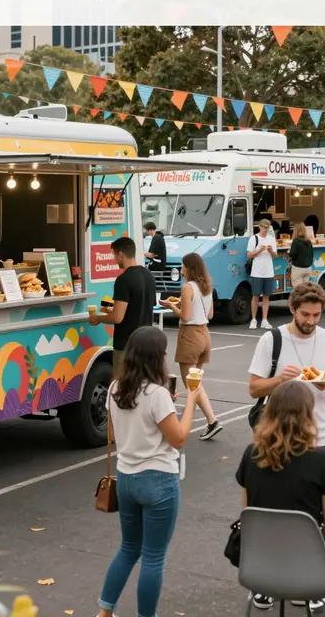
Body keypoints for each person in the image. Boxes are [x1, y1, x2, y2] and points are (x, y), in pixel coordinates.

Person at [96, 326, 203, 617]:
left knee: (128, 548)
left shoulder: (116, 388)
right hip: (158, 479)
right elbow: (178, 438)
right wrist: (191, 401)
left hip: (126, 478)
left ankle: (105, 612)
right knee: (153, 557)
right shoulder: (157, 394)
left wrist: (167, 406)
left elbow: (116, 431)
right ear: (157, 358)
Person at [237, 380, 325, 615]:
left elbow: (248, 515)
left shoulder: (250, 454)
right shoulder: (321, 461)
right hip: (312, 570)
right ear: (308, 415)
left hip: (260, 566)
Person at [248, 283, 325, 458]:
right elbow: (254, 389)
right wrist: (280, 379)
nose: (311, 321)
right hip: (280, 438)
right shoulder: (271, 340)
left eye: (316, 315)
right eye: (305, 314)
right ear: (292, 308)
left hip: (322, 439)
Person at [160, 252, 222, 441]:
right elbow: (210, 315)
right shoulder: (207, 286)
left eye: (182, 265)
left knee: (191, 383)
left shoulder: (187, 287)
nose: (181, 268)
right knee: (195, 382)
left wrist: (172, 307)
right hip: (204, 334)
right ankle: (197, 417)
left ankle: (212, 421)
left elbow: (185, 316)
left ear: (189, 268)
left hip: (190, 335)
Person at [90, 237, 156, 373]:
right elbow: (141, 307)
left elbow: (117, 318)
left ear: (121, 254)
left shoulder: (123, 280)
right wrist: (112, 310)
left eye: (114, 255)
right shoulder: (149, 275)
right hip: (146, 344)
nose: (114, 260)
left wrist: (97, 318)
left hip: (127, 345)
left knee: (121, 384)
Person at [247, 219, 277, 330]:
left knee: (266, 296)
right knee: (255, 296)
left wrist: (271, 251)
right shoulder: (253, 238)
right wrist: (259, 250)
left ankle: (264, 320)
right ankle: (253, 319)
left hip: (269, 272)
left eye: (267, 228)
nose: (265, 230)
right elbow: (249, 255)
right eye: (264, 227)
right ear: (259, 227)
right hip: (256, 272)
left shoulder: (271, 239)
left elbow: (275, 255)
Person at [289, 221, 314, 288]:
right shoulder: (308, 241)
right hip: (308, 268)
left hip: (298, 268)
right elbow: (312, 253)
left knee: (297, 290)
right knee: (305, 289)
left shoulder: (296, 241)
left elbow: (292, 254)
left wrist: (289, 252)